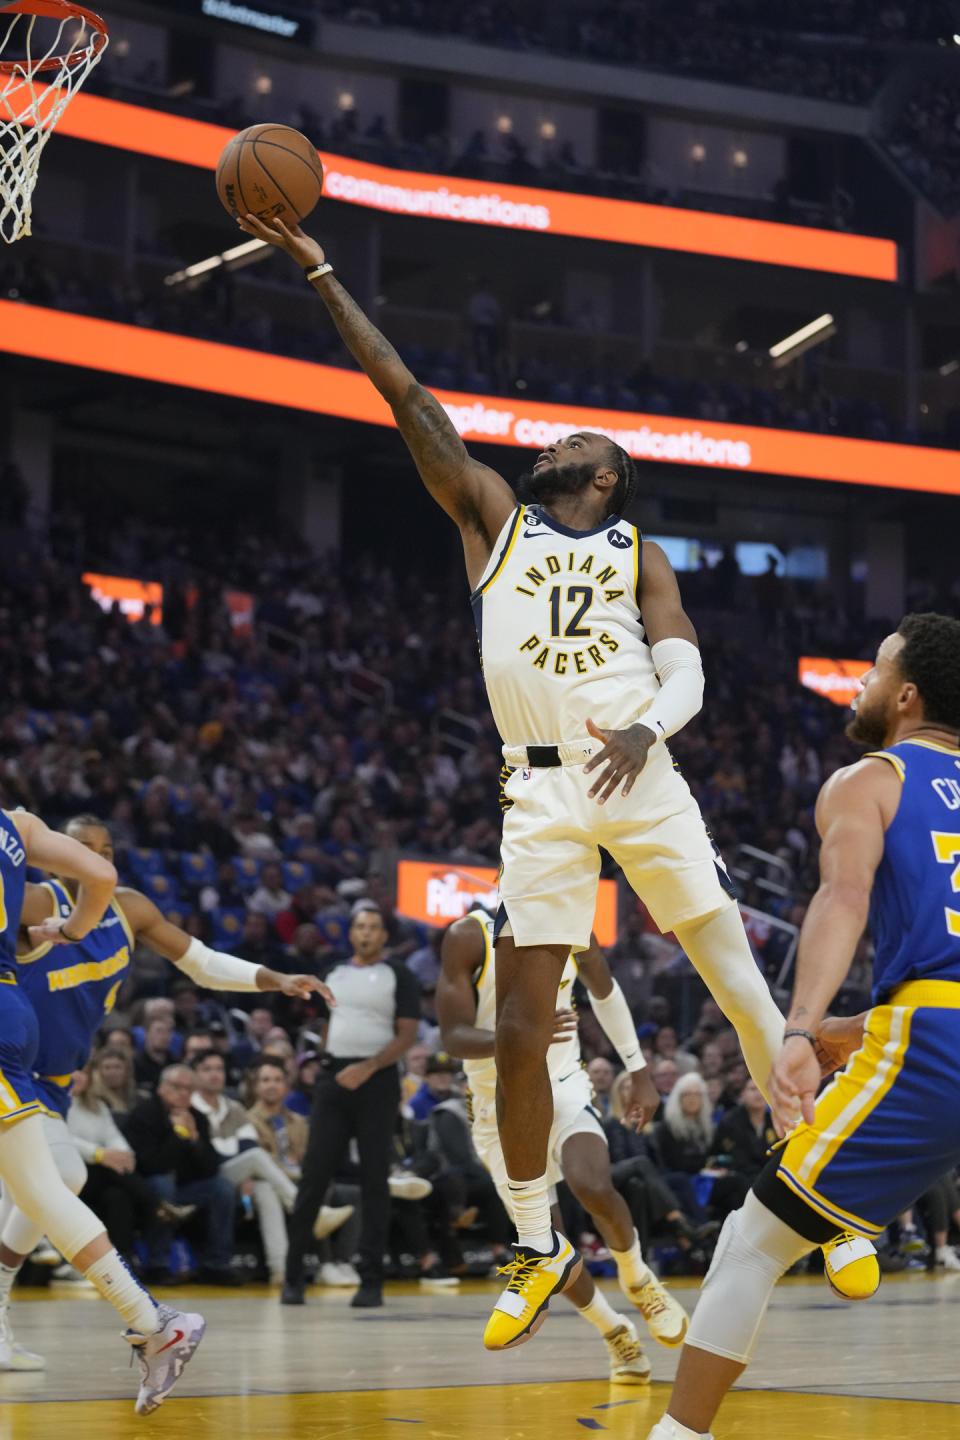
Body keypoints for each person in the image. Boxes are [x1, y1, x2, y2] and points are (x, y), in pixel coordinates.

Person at [238, 210, 787, 1351]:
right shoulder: (495, 518)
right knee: (531, 1024)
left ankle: (813, 1165)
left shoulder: (638, 552)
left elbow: (686, 664)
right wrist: (322, 269)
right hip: (535, 792)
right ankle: (537, 1243)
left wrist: (647, 724)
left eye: (564, 443)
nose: (543, 447)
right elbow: (409, 400)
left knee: (728, 960)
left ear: (608, 472)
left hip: (637, 769)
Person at [647, 614, 960, 1440]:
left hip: (937, 1052)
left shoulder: (871, 780)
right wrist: (858, 1029)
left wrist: (802, 1028)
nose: (859, 682)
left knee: (752, 1243)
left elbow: (844, 899)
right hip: (929, 1025)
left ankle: (679, 1436)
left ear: (906, 695)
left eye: (873, 670)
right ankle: (851, 1235)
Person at [0, 813, 332, 1361]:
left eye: (106, 847)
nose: (97, 856)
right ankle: (142, 1320)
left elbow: (200, 963)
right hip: (19, 1071)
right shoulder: (36, 902)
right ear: (58, 850)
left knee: (47, 1189)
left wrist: (270, 978)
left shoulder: (129, 909)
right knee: (61, 1177)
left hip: (53, 1085)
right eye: (83, 846)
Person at [0, 806, 203, 1412]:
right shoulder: (17, 824)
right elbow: (100, 881)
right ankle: (154, 1324)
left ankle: (153, 1321)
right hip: (15, 1014)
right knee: (47, 1185)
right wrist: (69, 930)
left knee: (45, 1187)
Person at [438, 909, 688, 1381]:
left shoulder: (570, 921)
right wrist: (514, 1040)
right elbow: (452, 1036)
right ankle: (614, 1333)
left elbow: (606, 992)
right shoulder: (467, 936)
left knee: (592, 1183)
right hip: (496, 1104)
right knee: (548, 1243)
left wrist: (638, 1070)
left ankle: (638, 1278)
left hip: (562, 1078)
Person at [280, 906, 420, 1309]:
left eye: (374, 927)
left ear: (384, 936)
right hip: (335, 1079)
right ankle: (293, 1277)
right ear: (351, 933)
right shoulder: (335, 971)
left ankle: (371, 1281)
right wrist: (329, 1063)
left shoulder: (399, 974)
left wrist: (370, 1067)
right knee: (313, 1176)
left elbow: (407, 1034)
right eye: (360, 926)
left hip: (377, 1080)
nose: (366, 933)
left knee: (375, 1180)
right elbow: (330, 1023)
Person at [247, 1055, 361, 1287]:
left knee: (354, 1194)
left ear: (286, 1086)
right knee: (316, 1191)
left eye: (277, 1080)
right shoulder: (248, 1120)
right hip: (275, 1184)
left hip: (301, 1177)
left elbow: (311, 1157)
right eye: (266, 1080)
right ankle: (325, 1263)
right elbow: (260, 1164)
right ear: (256, 1086)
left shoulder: (298, 1121)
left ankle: (343, 1261)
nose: (272, 1085)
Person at [125, 1063, 241, 1285]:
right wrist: (178, 1134)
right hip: (146, 1188)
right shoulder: (144, 1113)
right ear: (161, 1087)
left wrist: (195, 1138)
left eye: (189, 1089)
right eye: (178, 1087)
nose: (184, 1093)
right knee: (162, 1185)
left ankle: (217, 1264)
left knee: (222, 1187)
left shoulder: (196, 1117)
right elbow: (150, 1165)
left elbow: (210, 1168)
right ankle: (157, 1265)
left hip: (186, 1189)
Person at [67, 1062, 189, 1267]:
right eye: (73, 1070)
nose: (77, 1076)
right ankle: (158, 1205)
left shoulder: (96, 1105)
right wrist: (98, 1154)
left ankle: (122, 1260)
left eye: (83, 1072)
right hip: (67, 1173)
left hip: (100, 1176)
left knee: (118, 1196)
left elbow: (113, 1135)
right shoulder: (52, 1102)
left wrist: (125, 1155)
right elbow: (59, 1138)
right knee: (111, 1173)